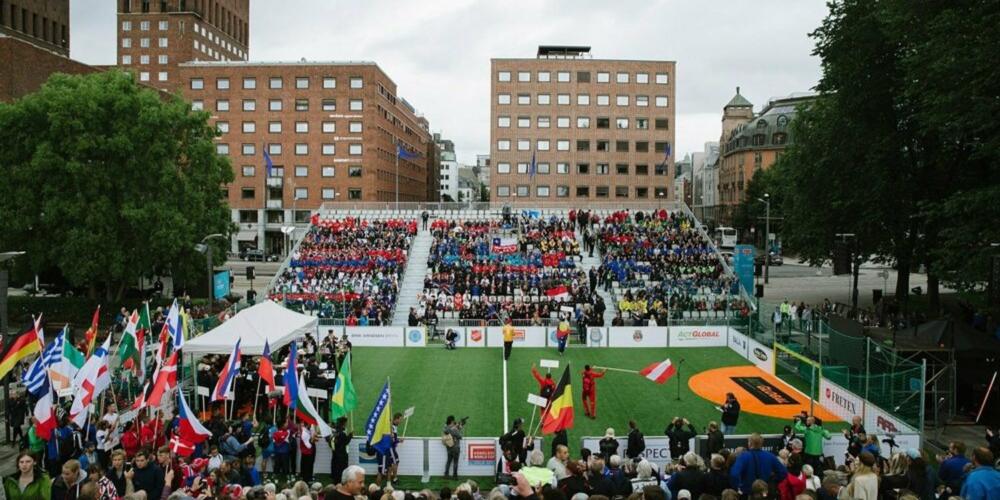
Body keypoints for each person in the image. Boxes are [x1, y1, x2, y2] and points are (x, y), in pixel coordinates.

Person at [329, 417, 352, 484]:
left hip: (335, 454)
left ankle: (335, 480)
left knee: (336, 468)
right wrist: (350, 435)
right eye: (345, 423)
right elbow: (345, 442)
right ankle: (340, 481)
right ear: (343, 423)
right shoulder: (342, 433)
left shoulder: (335, 431)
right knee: (341, 469)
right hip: (341, 455)